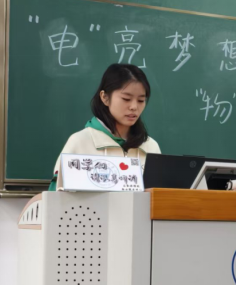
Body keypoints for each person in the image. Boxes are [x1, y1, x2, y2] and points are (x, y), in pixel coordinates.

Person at [48, 63, 161, 191]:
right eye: (126, 99)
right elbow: (56, 197)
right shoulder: (80, 143)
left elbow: (160, 198)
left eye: (141, 100)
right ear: (105, 97)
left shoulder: (150, 147)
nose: (134, 107)